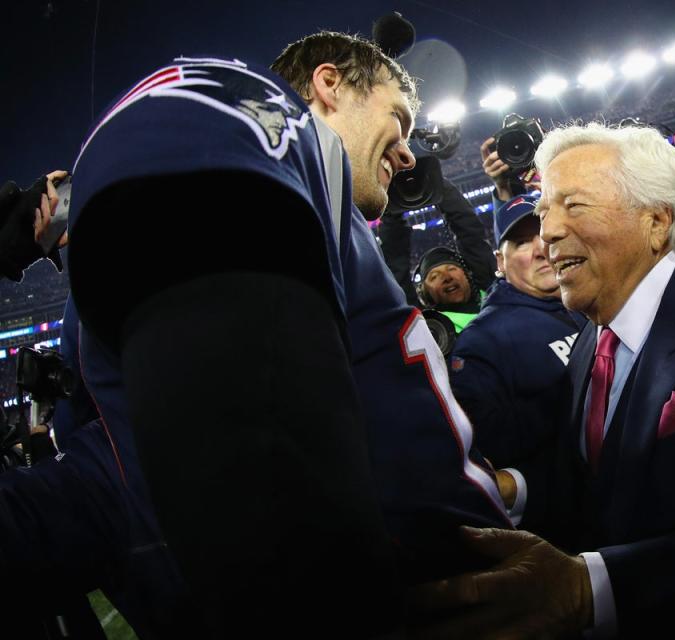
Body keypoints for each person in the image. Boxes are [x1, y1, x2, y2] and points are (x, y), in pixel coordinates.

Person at [19, 32, 509, 637]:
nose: (408, 154)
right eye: (398, 119)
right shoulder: (248, 115)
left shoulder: (307, 220)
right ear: (328, 86)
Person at [412, 123, 675, 638]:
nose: (547, 231)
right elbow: (599, 486)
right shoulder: (593, 340)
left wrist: (592, 588)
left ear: (656, 221)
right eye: (546, 209)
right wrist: (514, 488)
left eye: (573, 206)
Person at [450, 195, 585, 469]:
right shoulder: (483, 339)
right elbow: (486, 448)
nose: (540, 250)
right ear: (500, 262)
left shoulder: (591, 301)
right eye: (522, 242)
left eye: (544, 234)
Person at [379, 178, 497, 310]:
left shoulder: (494, 295)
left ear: (468, 276)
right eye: (434, 276)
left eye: (452, 269)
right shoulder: (425, 325)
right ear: (426, 293)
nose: (447, 278)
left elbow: (470, 232)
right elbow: (395, 265)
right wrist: (391, 207)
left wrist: (433, 180)